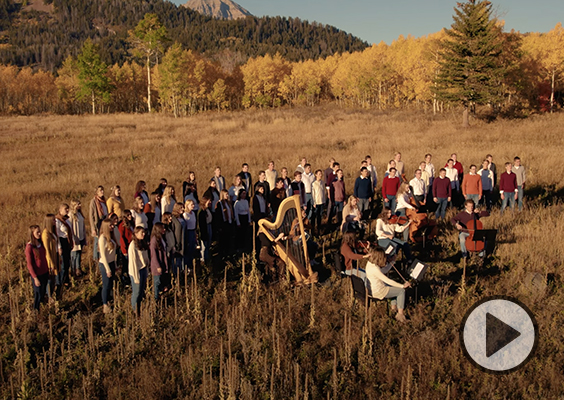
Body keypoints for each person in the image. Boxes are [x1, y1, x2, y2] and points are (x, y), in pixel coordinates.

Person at [365, 248, 411, 323]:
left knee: (394, 288)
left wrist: (392, 262)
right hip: (378, 291)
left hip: (373, 289)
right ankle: (400, 315)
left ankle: (393, 308)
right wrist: (402, 286)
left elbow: (384, 271)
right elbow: (388, 281)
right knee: (401, 291)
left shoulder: (370, 264)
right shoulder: (375, 269)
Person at [26, 225, 50, 311]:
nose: (39, 234)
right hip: (37, 275)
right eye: (37, 232)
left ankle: (43, 310)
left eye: (39, 231)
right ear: (32, 234)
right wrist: (35, 278)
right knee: (38, 294)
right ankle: (35, 311)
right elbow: (29, 264)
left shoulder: (41, 244)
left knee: (43, 292)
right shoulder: (30, 247)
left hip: (44, 272)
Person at [128, 226, 149, 315]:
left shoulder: (142, 243)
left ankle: (139, 307)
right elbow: (133, 263)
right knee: (136, 292)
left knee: (141, 291)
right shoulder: (133, 246)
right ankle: (134, 309)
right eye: (141, 233)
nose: (143, 234)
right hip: (136, 271)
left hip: (143, 269)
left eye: (144, 232)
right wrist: (136, 277)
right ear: (136, 234)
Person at [98, 219, 117, 313]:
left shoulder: (111, 237)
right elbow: (103, 255)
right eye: (110, 225)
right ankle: (104, 304)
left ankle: (109, 301)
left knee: (110, 284)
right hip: (105, 264)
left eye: (112, 225)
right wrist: (107, 269)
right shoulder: (102, 238)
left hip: (112, 262)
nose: (112, 227)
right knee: (106, 285)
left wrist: (115, 264)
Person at [55, 203, 73, 290]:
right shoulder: (57, 220)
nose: (67, 211)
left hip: (67, 241)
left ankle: (66, 280)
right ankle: (60, 282)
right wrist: (59, 247)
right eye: (65, 209)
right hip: (61, 242)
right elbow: (57, 235)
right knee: (63, 264)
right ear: (60, 210)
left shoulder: (67, 220)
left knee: (67, 262)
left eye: (67, 209)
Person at [150, 222, 169, 301]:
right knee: (157, 283)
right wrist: (157, 266)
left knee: (161, 282)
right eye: (162, 228)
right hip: (157, 266)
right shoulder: (154, 241)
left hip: (162, 263)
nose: (164, 230)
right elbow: (153, 255)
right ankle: (155, 299)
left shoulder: (161, 238)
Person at [41, 214, 59, 298]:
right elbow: (47, 250)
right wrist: (50, 263)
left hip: (55, 257)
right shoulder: (45, 234)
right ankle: (49, 296)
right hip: (50, 260)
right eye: (53, 220)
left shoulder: (52, 232)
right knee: (50, 280)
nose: (55, 221)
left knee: (54, 280)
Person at [89, 185, 108, 261]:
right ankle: (95, 258)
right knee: (97, 241)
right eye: (100, 190)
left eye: (103, 190)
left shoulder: (103, 200)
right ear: (97, 192)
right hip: (98, 222)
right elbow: (91, 216)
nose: (102, 192)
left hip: (104, 221)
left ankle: (102, 256)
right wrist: (93, 228)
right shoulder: (93, 201)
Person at [69, 200, 86, 277]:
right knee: (74, 254)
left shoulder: (79, 214)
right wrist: (73, 238)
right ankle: (73, 270)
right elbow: (70, 227)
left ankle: (78, 269)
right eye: (78, 204)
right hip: (75, 237)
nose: (80, 205)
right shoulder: (71, 215)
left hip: (81, 236)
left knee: (79, 254)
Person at [216, 190, 234, 259]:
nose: (227, 196)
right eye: (226, 194)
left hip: (229, 222)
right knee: (223, 240)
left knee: (228, 240)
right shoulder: (219, 203)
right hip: (223, 223)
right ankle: (222, 255)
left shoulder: (228, 203)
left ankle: (228, 254)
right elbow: (218, 215)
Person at [118, 209, 135, 281]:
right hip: (126, 247)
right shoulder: (122, 225)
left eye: (130, 214)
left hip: (132, 246)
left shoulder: (131, 224)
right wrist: (124, 250)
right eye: (128, 215)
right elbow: (121, 238)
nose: (130, 216)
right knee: (126, 264)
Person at [182, 200, 197, 272]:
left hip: (193, 231)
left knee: (192, 249)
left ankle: (191, 264)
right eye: (191, 205)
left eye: (193, 204)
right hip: (188, 232)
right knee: (188, 249)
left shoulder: (193, 213)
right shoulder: (185, 215)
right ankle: (186, 266)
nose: (193, 206)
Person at [170, 203, 185, 274]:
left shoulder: (182, 217)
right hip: (176, 241)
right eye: (181, 208)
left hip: (183, 240)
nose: (183, 209)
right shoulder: (173, 219)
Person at [198, 196, 213, 262]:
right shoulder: (201, 212)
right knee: (204, 245)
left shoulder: (207, 210)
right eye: (208, 201)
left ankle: (207, 257)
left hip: (209, 226)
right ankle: (203, 259)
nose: (210, 202)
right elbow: (201, 223)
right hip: (205, 228)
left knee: (208, 244)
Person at [311, 169, 326, 234]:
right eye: (319, 174)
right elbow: (313, 194)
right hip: (316, 202)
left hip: (321, 202)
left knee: (320, 217)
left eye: (321, 174)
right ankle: (313, 230)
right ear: (316, 175)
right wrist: (314, 202)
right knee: (314, 217)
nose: (320, 175)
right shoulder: (314, 184)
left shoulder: (322, 183)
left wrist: (324, 200)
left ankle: (319, 229)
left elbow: (323, 192)